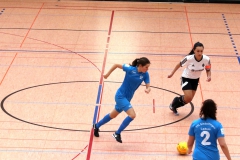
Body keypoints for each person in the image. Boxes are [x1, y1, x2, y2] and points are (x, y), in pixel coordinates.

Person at [93, 57, 151, 143]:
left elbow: (148, 84)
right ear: (140, 66)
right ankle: (117, 133)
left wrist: (148, 89)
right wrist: (107, 74)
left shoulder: (145, 74)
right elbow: (116, 65)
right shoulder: (130, 69)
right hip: (120, 96)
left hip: (128, 98)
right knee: (132, 115)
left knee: (113, 115)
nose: (147, 69)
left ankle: (96, 126)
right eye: (146, 67)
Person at [167, 42, 211, 115]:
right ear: (194, 50)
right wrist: (172, 73)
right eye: (198, 51)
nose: (199, 53)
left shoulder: (206, 59)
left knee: (189, 99)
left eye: (201, 51)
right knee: (188, 97)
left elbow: (208, 68)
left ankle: (174, 105)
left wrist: (209, 76)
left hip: (196, 80)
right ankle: (174, 104)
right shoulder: (189, 58)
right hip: (186, 78)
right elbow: (179, 64)